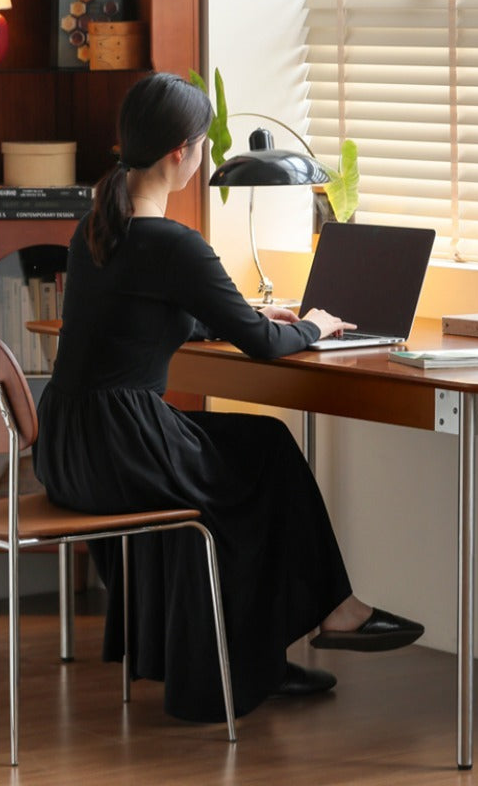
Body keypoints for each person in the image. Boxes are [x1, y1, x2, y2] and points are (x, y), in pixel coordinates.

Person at [32, 72, 423, 722]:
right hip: (122, 448)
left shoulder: (97, 228)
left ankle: (270, 652)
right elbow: (266, 350)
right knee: (259, 467)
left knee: (260, 449)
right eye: (204, 150)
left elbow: (148, 316)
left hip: (71, 447)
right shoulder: (174, 244)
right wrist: (313, 326)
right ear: (182, 152)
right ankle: (311, 626)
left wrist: (239, 315)